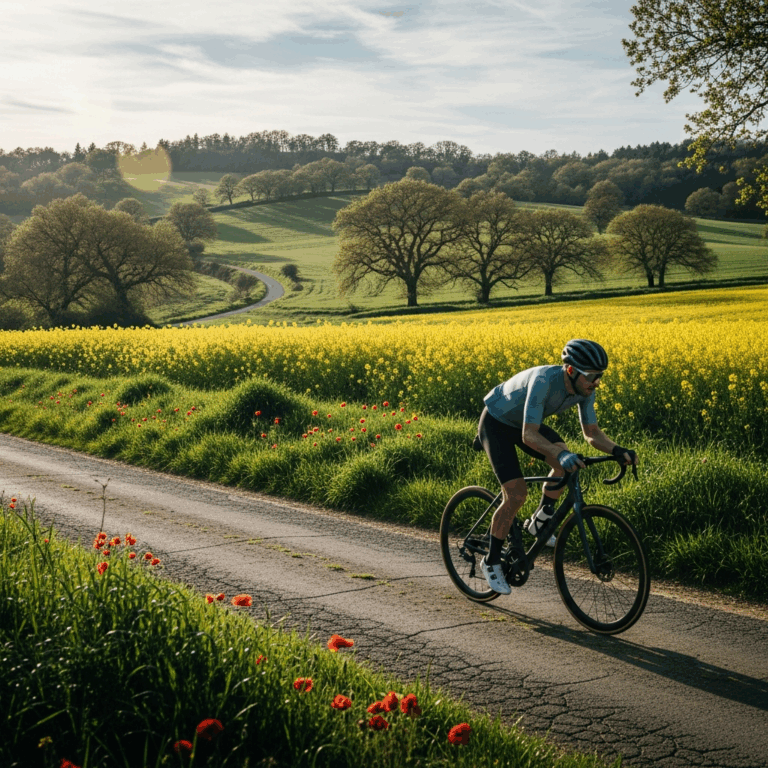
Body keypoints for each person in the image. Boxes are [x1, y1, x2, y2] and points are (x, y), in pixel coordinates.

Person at [476, 339, 638, 595]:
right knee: (516, 494)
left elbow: (592, 432)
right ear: (571, 371)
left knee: (567, 463)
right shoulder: (543, 382)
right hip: (497, 423)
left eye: (600, 377)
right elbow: (529, 435)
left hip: (527, 424)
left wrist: (618, 450)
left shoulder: (584, 389)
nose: (597, 383)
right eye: (593, 377)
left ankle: (539, 520)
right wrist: (559, 455)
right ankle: (491, 561)